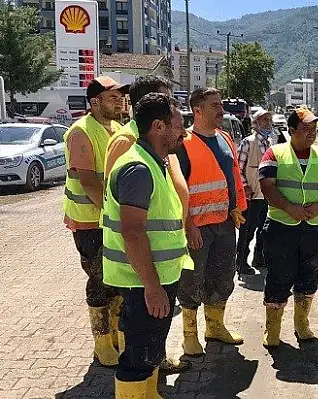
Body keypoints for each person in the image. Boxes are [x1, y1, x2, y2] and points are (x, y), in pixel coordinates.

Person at [103, 75, 192, 374]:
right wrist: (153, 288)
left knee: (148, 354)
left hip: (155, 276)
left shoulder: (155, 160)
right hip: (142, 281)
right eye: (179, 126)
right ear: (158, 127)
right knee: (137, 362)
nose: (185, 134)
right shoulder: (138, 168)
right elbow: (132, 232)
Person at [259, 107, 318, 348]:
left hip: (315, 228)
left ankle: (301, 323)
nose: (311, 133)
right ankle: (272, 329)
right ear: (291, 130)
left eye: (314, 129)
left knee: (309, 275)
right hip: (282, 227)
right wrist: (288, 207)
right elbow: (267, 185)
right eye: (305, 128)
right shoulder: (274, 153)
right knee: (278, 276)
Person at [175, 88, 248, 357]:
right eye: (214, 105)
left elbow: (233, 177)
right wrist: (188, 225)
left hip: (224, 223)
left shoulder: (226, 138)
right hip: (197, 226)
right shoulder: (183, 143)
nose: (221, 110)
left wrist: (237, 208)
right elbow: (177, 189)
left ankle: (215, 327)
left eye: (221, 104)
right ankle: (189, 336)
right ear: (198, 110)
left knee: (222, 275)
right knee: (191, 280)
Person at [62, 76, 129, 367]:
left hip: (109, 220)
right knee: (100, 279)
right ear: (94, 102)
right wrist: (113, 213)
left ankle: (115, 336)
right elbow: (89, 182)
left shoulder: (116, 129)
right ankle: (102, 342)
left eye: (120, 97)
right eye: (112, 97)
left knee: (116, 280)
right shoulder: (81, 132)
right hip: (90, 221)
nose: (120, 102)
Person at [235, 109, 278, 275]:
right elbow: (237, 169)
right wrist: (245, 186)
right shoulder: (248, 142)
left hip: (266, 195)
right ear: (255, 123)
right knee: (248, 230)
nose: (268, 123)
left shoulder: (270, 142)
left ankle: (258, 257)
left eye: (269, 119)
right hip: (251, 195)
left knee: (264, 229)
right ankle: (240, 261)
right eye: (264, 120)